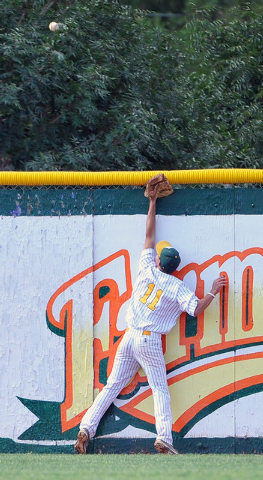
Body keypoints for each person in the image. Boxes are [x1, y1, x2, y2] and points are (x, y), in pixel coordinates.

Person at [75, 186, 226, 455]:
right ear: (174, 268)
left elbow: (148, 234)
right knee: (159, 389)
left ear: (158, 261)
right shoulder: (177, 286)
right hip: (149, 340)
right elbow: (197, 309)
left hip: (129, 335)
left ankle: (86, 426)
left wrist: (153, 202)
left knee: (111, 386)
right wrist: (213, 290)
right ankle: (164, 437)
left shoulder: (146, 269)